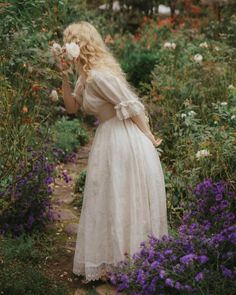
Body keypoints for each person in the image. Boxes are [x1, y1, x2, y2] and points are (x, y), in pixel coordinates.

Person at [55, 21, 169, 283]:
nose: (65, 47)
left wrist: (149, 137)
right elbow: (72, 108)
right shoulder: (85, 77)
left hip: (123, 140)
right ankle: (116, 259)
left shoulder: (98, 76)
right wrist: (63, 74)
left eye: (68, 41)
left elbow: (132, 105)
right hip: (108, 138)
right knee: (109, 197)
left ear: (79, 45)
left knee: (122, 195)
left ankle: (131, 261)